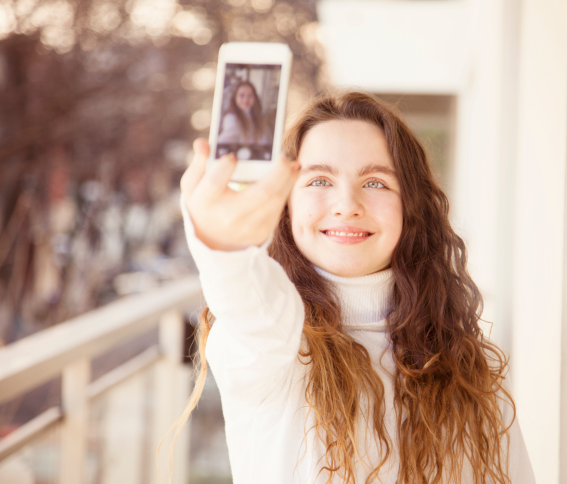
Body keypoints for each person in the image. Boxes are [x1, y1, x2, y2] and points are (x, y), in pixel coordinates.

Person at [175, 92, 536, 483]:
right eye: (319, 180)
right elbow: (251, 312)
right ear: (287, 205)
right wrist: (224, 247)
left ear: (411, 206)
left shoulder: (471, 367)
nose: (347, 204)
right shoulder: (273, 347)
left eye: (376, 182)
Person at [217, 80, 270, 147]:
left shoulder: (258, 117)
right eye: (242, 95)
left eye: (250, 95)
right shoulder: (231, 118)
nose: (246, 99)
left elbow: (264, 140)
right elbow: (225, 138)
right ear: (235, 98)